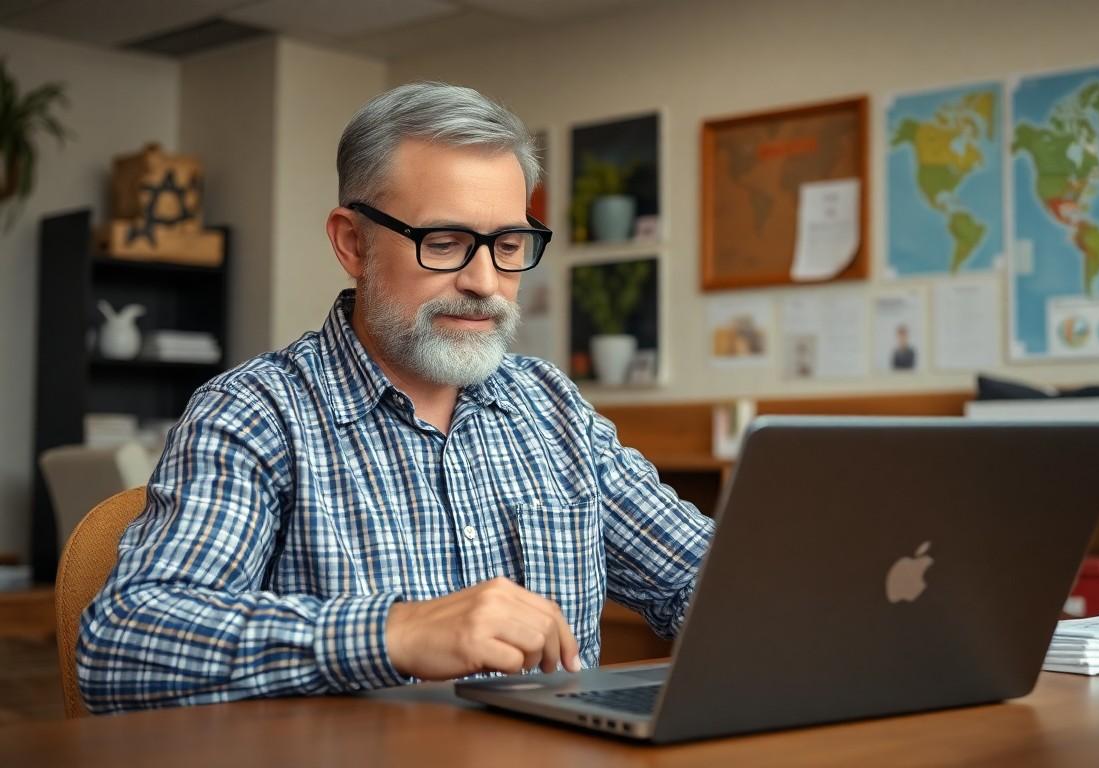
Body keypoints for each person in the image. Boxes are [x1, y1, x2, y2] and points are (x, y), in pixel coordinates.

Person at [77, 83, 715, 714]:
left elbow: (712, 581)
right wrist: (394, 633)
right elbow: (124, 643)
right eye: (443, 242)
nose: (485, 281)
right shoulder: (256, 413)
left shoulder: (552, 409)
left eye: (510, 245)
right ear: (352, 243)